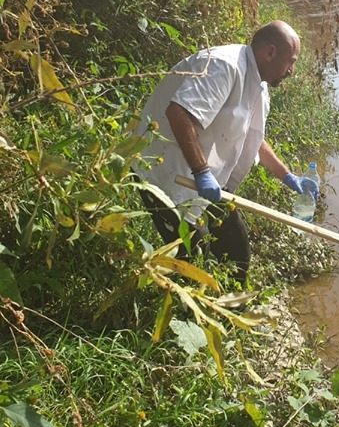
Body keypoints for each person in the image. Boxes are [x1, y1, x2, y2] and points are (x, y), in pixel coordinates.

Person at [134, 21, 319, 283]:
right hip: (166, 174)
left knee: (236, 250)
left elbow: (253, 138)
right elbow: (179, 114)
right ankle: (191, 310)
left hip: (208, 181)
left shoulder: (260, 85)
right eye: (292, 61)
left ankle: (234, 305)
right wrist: (201, 172)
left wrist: (289, 177)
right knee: (193, 258)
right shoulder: (223, 66)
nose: (291, 70)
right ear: (270, 52)